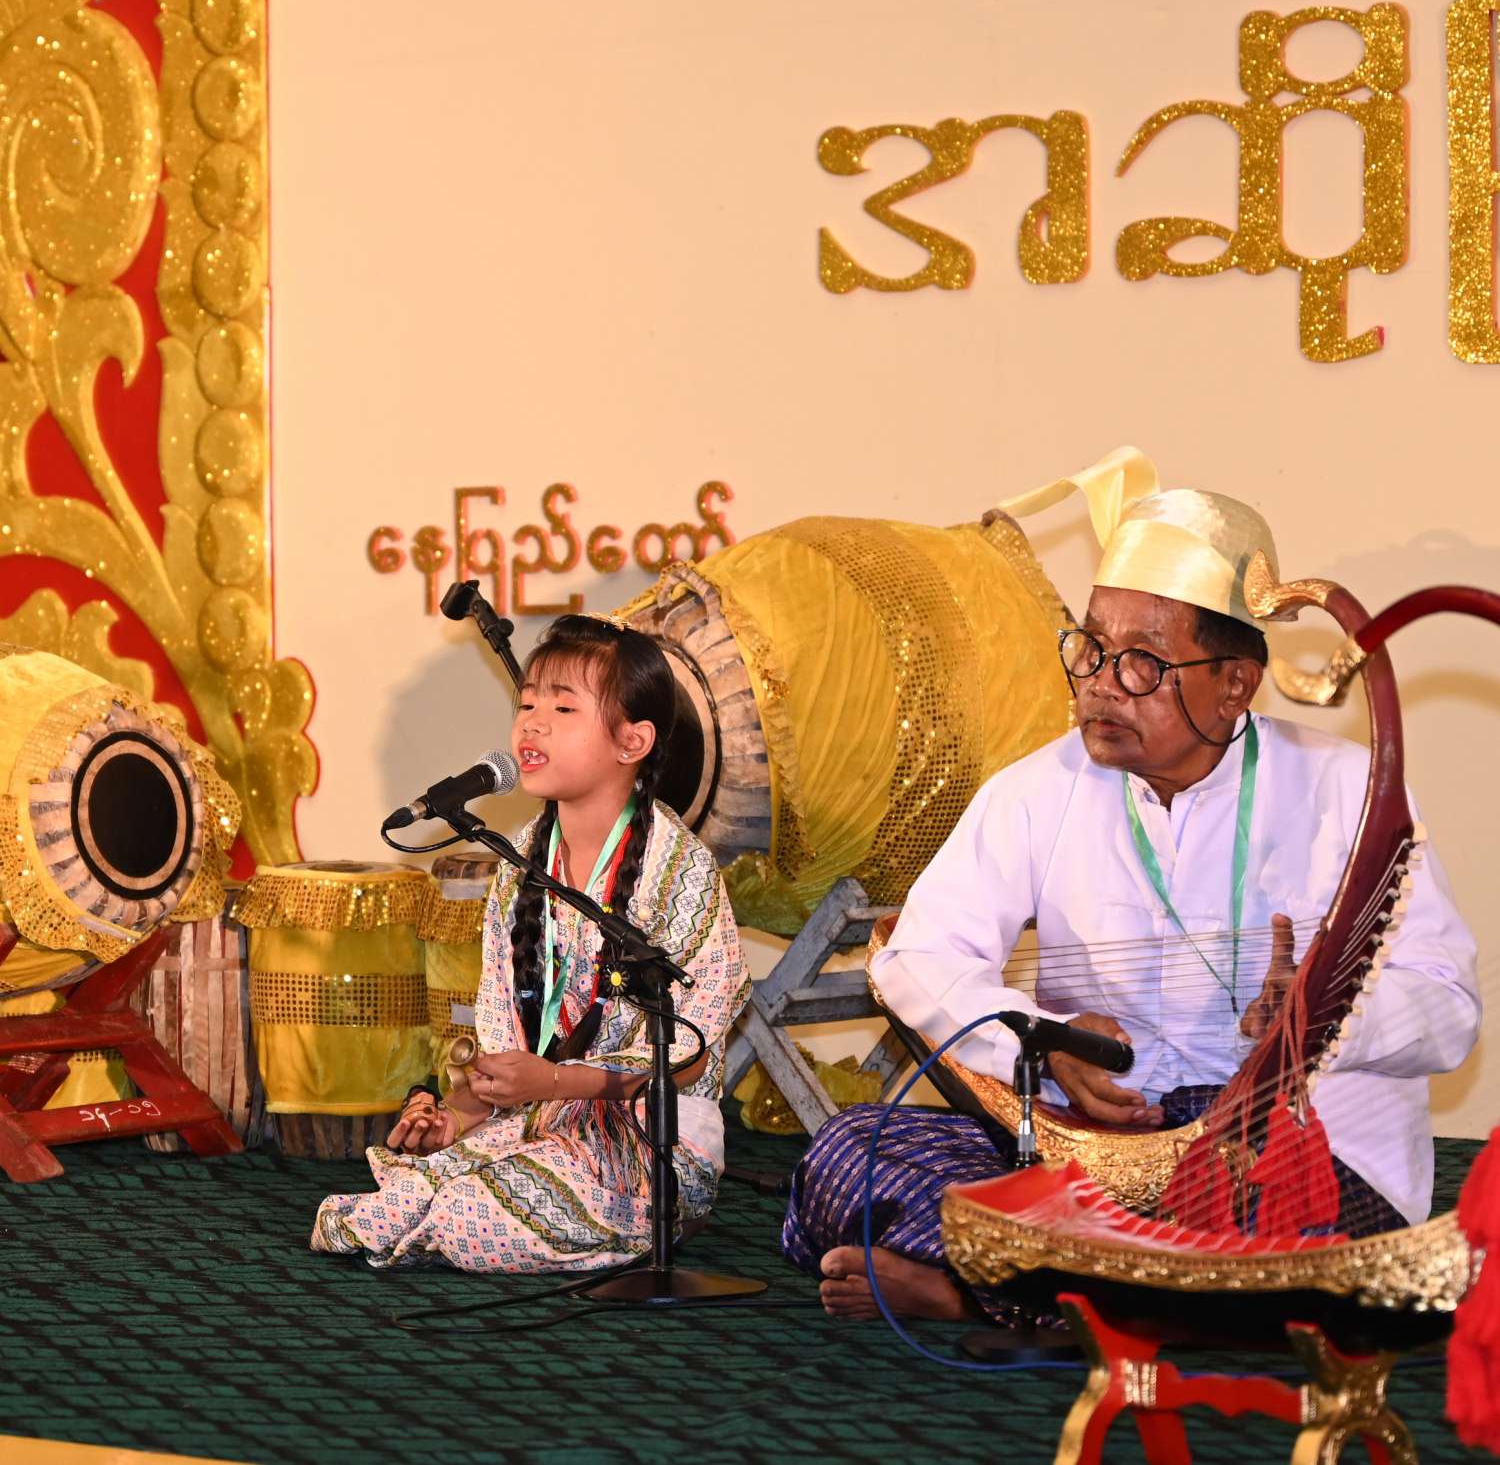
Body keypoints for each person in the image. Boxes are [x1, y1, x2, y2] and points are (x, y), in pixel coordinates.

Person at [782, 449, 1480, 1321]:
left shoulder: (1348, 792)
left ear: (1235, 685)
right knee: (849, 1152)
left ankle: (990, 1292)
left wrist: (1322, 1011)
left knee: (1288, 1244)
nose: (1101, 687)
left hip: (1282, 1155)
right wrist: (1041, 1043)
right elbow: (915, 959)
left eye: (1143, 663)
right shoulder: (1040, 789)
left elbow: (1449, 1007)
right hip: (1093, 1150)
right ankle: (1091, 1299)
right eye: (1092, 649)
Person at [312, 614, 748, 1270]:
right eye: (528, 704)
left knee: (462, 1214)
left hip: (649, 1145)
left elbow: (686, 1055)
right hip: (540, 1124)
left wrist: (555, 1079)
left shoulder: (682, 870)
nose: (533, 724)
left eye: (563, 708)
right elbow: (509, 1047)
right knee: (370, 1209)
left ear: (632, 740)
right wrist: (455, 1117)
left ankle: (603, 1223)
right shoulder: (521, 861)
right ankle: (483, 1203)